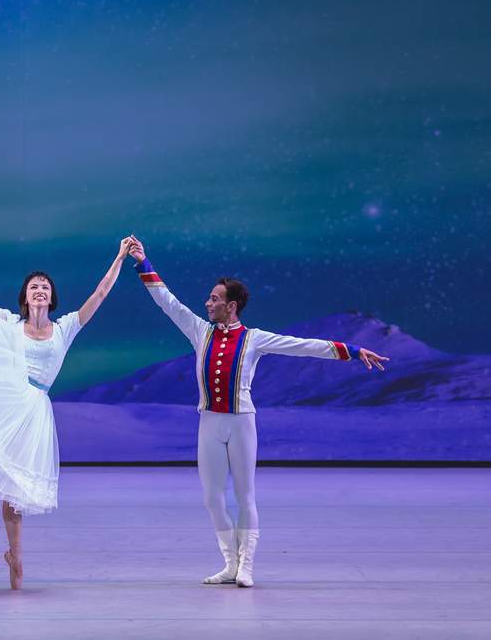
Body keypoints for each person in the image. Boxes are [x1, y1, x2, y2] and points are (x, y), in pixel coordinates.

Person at [127, 236, 389, 588]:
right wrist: (144, 262)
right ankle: (230, 562)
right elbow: (168, 302)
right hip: (209, 423)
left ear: (231, 306)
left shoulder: (254, 339)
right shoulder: (200, 331)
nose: (208, 302)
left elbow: (303, 347)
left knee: (244, 495)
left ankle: (247, 564)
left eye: (215, 299)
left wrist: (352, 350)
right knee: (211, 496)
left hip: (242, 424)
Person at [0, 232, 133, 589]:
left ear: (52, 297)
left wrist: (118, 257)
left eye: (45, 287)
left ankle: (14, 555)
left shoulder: (64, 328)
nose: (40, 290)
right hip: (7, 400)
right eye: (34, 286)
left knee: (19, 492)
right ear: (25, 296)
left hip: (34, 412)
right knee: (9, 486)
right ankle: (17, 556)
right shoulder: (10, 324)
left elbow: (100, 294)